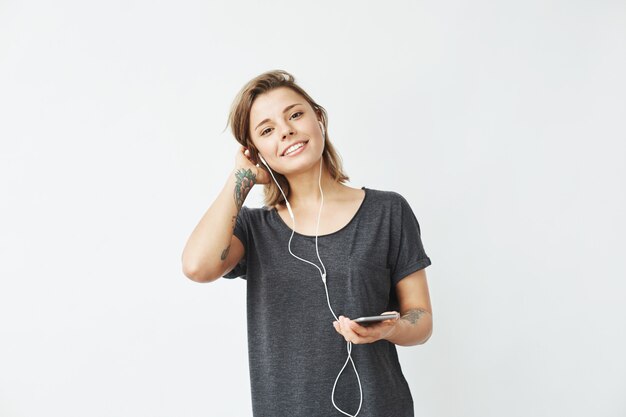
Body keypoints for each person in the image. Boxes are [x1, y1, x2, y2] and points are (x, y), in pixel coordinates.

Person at [181, 69, 433, 417]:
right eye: (267, 130)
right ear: (255, 152)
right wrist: (241, 178)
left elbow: (421, 321)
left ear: (318, 118)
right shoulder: (254, 229)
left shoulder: (387, 211)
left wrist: (391, 328)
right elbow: (197, 266)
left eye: (295, 114)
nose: (285, 131)